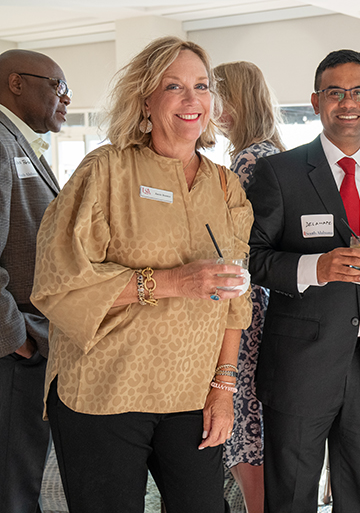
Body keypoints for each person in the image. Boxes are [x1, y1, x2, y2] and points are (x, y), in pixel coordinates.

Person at [30, 36, 252, 513]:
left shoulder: (224, 183)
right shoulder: (105, 171)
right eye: (174, 86)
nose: (192, 99)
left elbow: (237, 300)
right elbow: (60, 280)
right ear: (146, 100)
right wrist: (175, 282)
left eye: (201, 85)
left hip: (193, 394)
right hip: (106, 392)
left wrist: (223, 388)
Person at [247, 49, 360, 512]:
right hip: (300, 367)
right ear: (316, 100)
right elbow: (252, 258)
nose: (349, 102)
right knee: (290, 497)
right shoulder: (279, 173)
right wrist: (315, 268)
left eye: (359, 92)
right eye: (335, 92)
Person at [213, 60, 285, 513]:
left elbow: (234, 244)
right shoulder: (277, 151)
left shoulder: (247, 160)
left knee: (243, 416)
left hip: (248, 302)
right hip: (271, 299)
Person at [0, 49, 68, 513]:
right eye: (57, 86)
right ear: (16, 83)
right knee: (14, 487)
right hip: (11, 352)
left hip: (29, 347)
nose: (65, 99)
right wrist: (18, 338)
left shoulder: (18, 142)